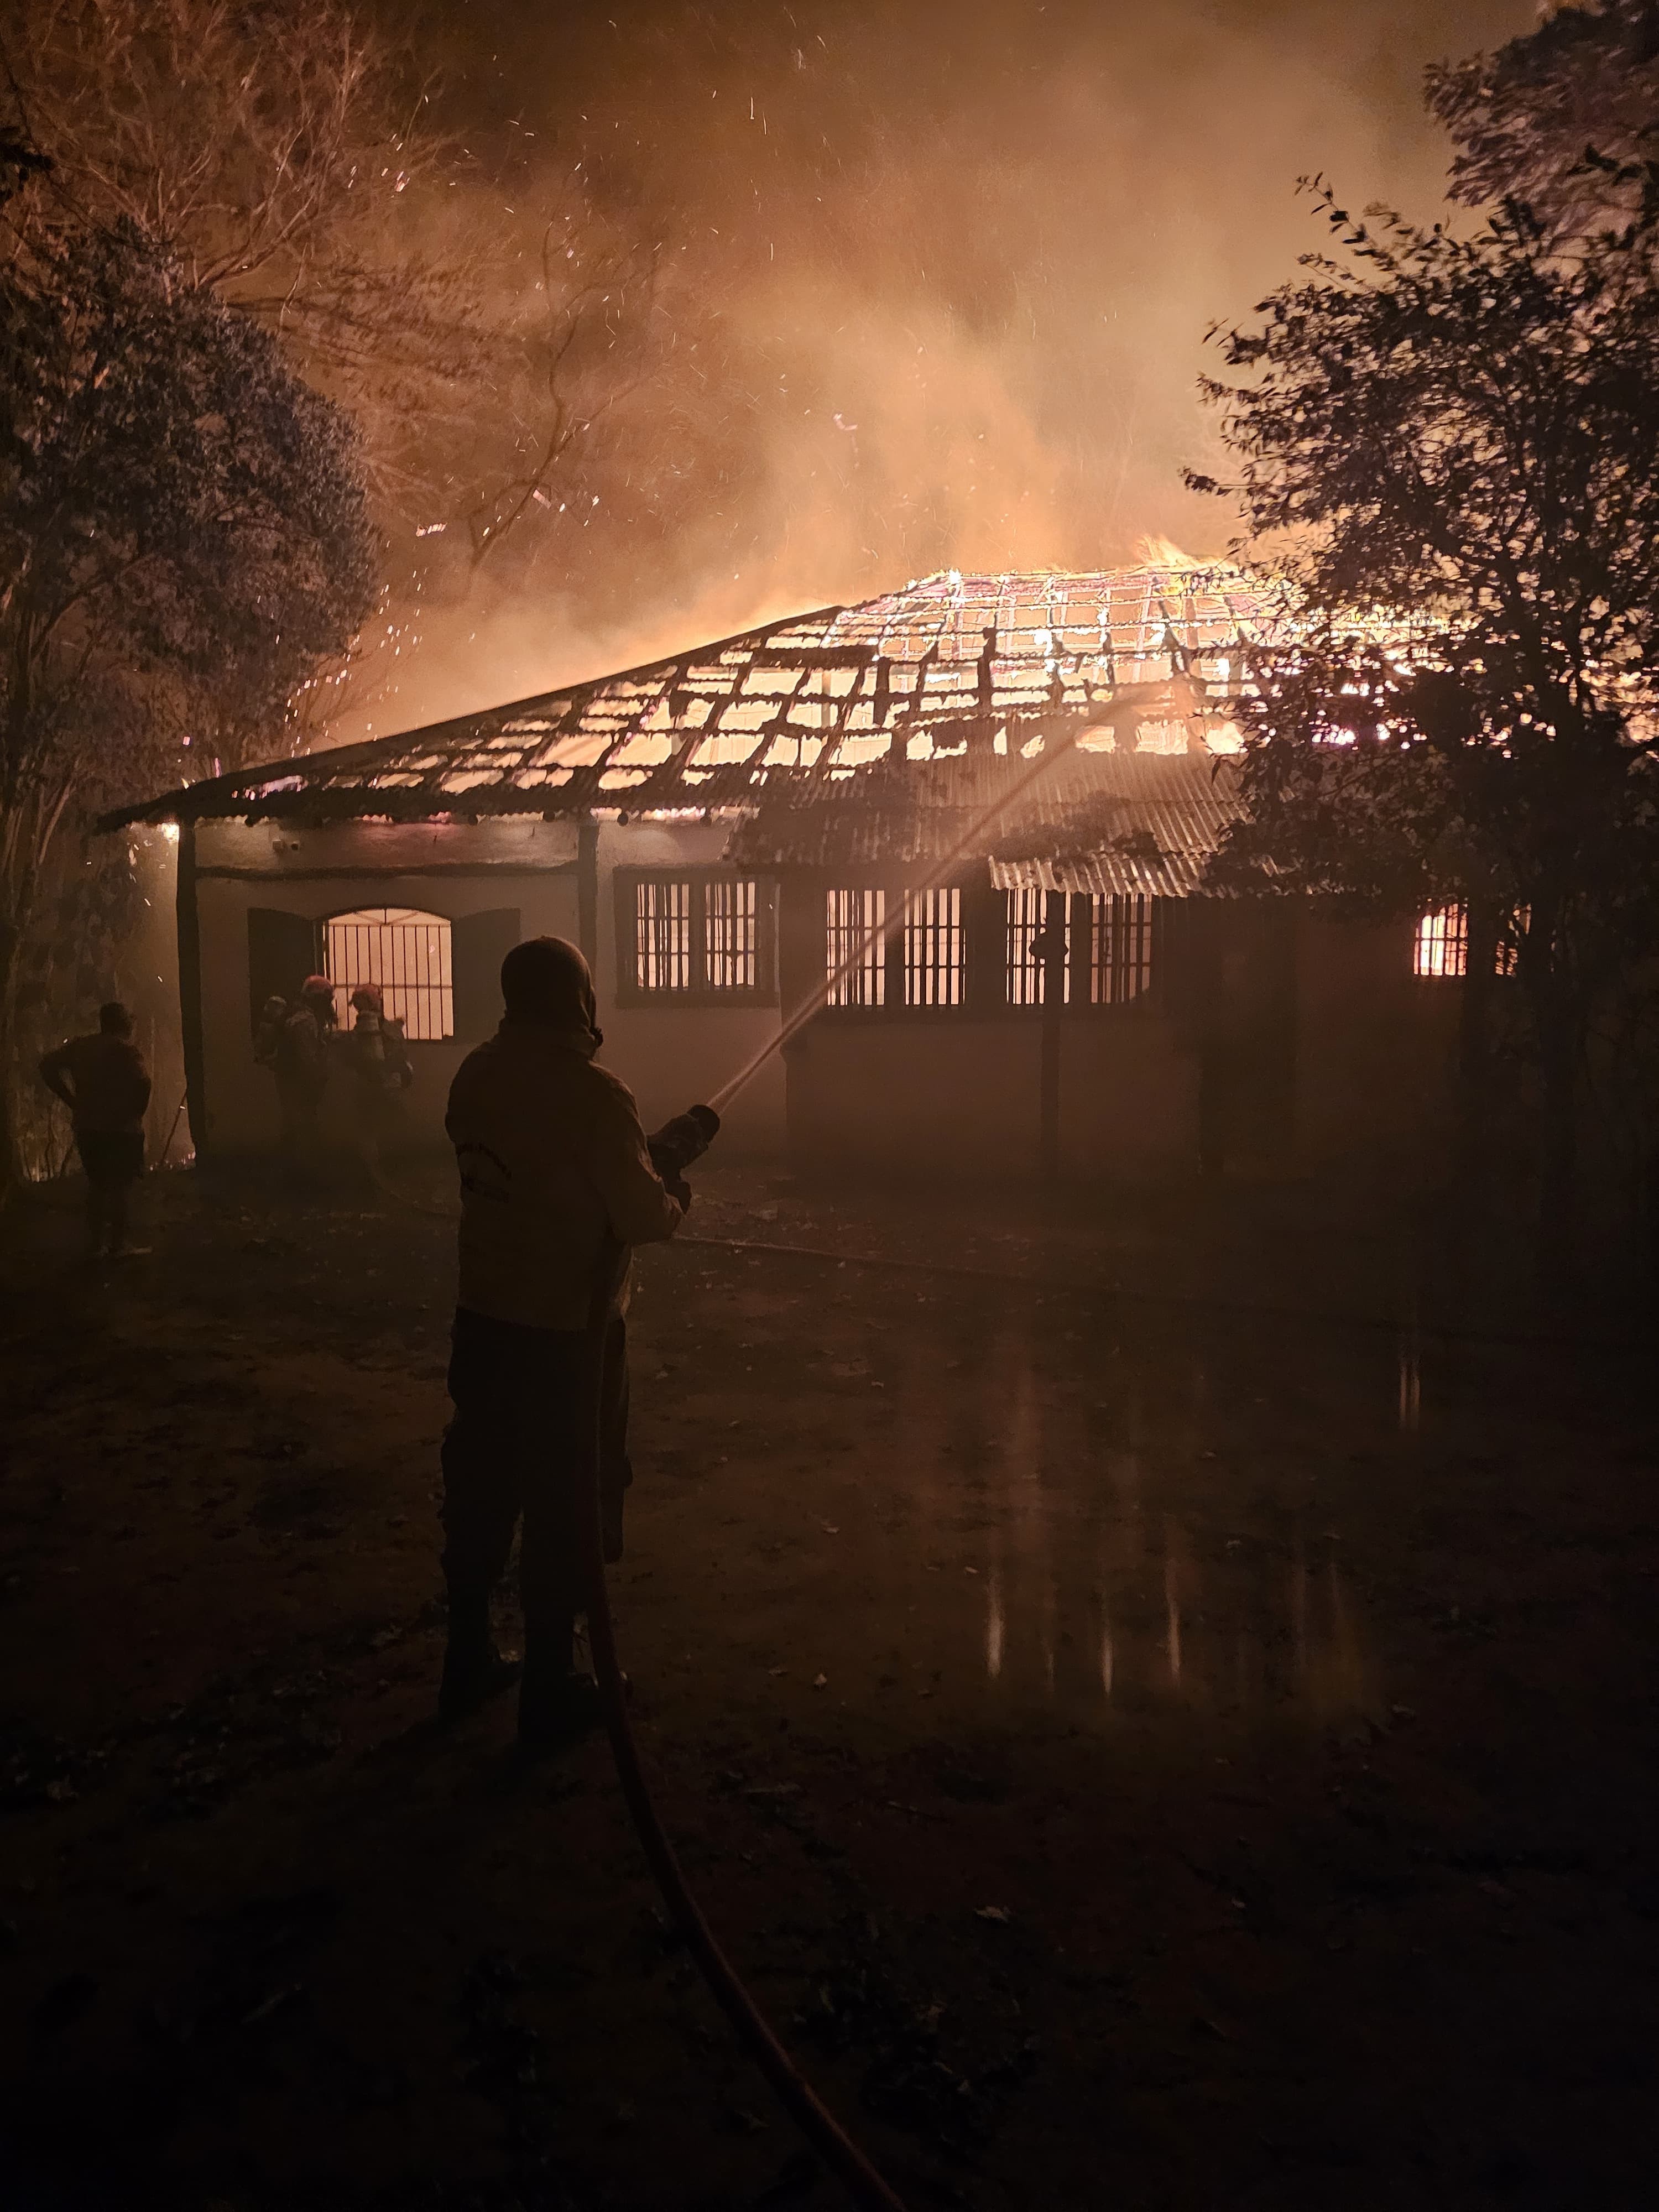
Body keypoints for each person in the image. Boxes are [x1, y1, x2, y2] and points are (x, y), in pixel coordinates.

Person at [439, 935, 684, 1749]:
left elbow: (544, 1173)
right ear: (579, 1003)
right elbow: (642, 1220)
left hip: (482, 1322)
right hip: (567, 1339)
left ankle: (467, 1658)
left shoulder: (475, 1075)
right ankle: (551, 1686)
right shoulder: (595, 1094)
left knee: (481, 1488)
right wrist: (671, 1189)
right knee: (567, 1502)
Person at [39, 1001, 153, 1259]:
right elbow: (144, 1083)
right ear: (123, 1023)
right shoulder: (127, 1051)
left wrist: (71, 1100)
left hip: (88, 1127)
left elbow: (47, 1067)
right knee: (120, 1187)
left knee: (97, 1185)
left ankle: (94, 1245)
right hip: (121, 1129)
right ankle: (117, 1245)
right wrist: (136, 1113)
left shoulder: (82, 1047)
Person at [340, 980, 413, 1180]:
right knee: (392, 1127)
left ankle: (372, 1176)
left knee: (368, 1130)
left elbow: (351, 1059)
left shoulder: (359, 1033)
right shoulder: (391, 1030)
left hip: (366, 1086)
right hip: (389, 1085)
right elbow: (401, 1058)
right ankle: (393, 1174)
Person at [273, 974, 337, 1163]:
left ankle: (294, 1171)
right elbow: (307, 1060)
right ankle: (302, 1173)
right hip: (298, 1083)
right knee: (302, 1128)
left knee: (294, 1125)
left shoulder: (298, 1015)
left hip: (289, 1079)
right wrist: (318, 1080)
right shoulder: (305, 1020)